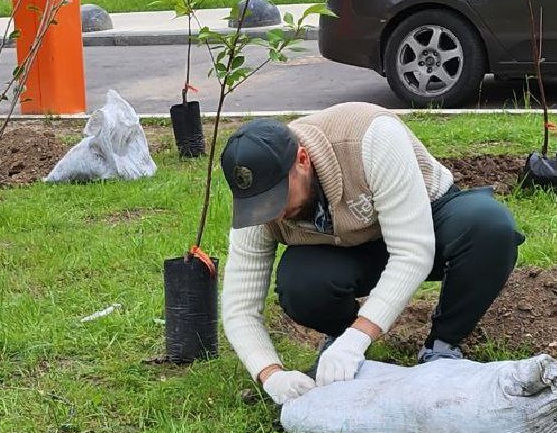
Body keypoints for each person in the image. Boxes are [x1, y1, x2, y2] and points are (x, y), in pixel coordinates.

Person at [218, 102, 524, 404]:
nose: (276, 212)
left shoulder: (370, 137)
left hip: (425, 221)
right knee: (302, 283)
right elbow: (239, 307)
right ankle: (339, 335)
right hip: (346, 246)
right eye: (261, 204)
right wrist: (271, 374)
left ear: (302, 159)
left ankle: (442, 346)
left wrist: (359, 337)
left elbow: (412, 251)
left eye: (279, 197)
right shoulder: (258, 205)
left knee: (489, 227)